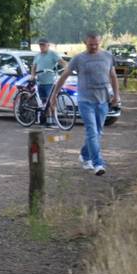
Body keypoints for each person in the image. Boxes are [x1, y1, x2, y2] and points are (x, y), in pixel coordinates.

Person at [53, 31, 120, 175]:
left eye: (96, 44)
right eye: (91, 44)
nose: (94, 47)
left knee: (98, 132)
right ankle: (98, 164)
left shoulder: (107, 56)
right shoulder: (78, 59)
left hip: (102, 100)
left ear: (100, 42)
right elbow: (64, 76)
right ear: (85, 43)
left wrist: (116, 95)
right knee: (91, 131)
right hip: (85, 101)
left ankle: (84, 155)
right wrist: (54, 95)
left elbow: (113, 76)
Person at [31, 38, 65, 127]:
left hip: (49, 81)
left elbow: (61, 62)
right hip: (40, 81)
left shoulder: (53, 54)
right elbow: (34, 66)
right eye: (40, 45)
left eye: (43, 45)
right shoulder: (37, 55)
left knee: (51, 101)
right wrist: (32, 76)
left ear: (48, 45)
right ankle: (47, 121)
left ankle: (54, 120)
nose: (42, 47)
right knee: (44, 102)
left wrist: (67, 68)